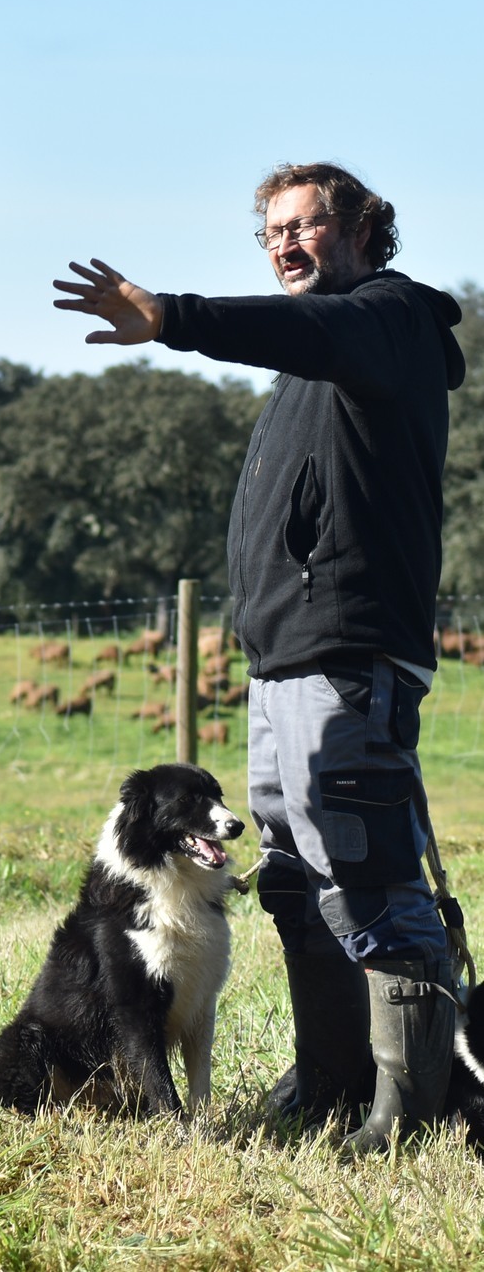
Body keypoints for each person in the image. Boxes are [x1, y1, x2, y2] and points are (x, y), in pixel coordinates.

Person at [53, 162, 466, 1152]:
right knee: (291, 873)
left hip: (348, 654)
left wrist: (173, 315)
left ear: (364, 226)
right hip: (284, 662)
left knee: (363, 868)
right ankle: (331, 1079)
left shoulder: (388, 319)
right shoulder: (319, 358)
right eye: (268, 231)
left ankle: (406, 1108)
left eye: (303, 224)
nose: (282, 243)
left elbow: (308, 327)